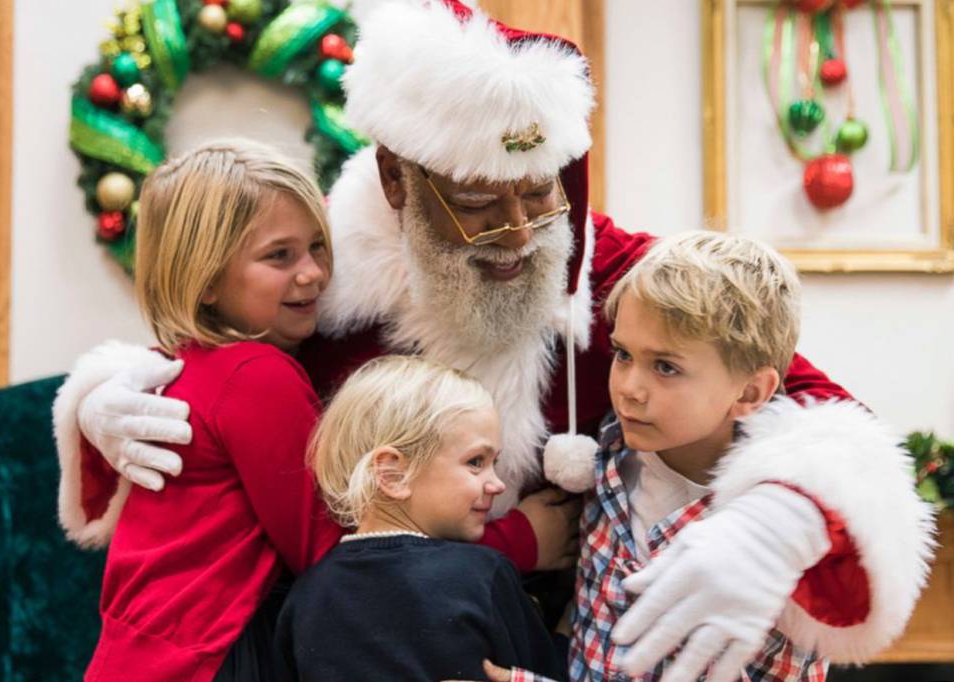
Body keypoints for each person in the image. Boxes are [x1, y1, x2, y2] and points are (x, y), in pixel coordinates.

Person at [54, 0, 934, 675]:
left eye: (539, 194)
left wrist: (783, 519)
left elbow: (822, 413)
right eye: (477, 204)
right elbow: (210, 361)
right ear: (398, 180)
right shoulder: (323, 272)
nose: (517, 233)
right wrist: (107, 397)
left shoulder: (614, 271)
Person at [544, 232, 934, 681]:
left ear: (750, 392)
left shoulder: (781, 530)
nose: (629, 387)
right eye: (623, 354)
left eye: (666, 367)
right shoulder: (610, 447)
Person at [80, 139, 345, 681]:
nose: (312, 272)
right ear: (205, 279)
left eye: (317, 246)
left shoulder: (187, 365)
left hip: (137, 654)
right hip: (214, 656)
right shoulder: (256, 377)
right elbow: (321, 548)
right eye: (280, 255)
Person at [274, 355, 567, 682]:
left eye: (493, 463)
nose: (497, 484)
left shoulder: (306, 597)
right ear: (392, 473)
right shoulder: (482, 575)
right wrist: (568, 634)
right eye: (475, 462)